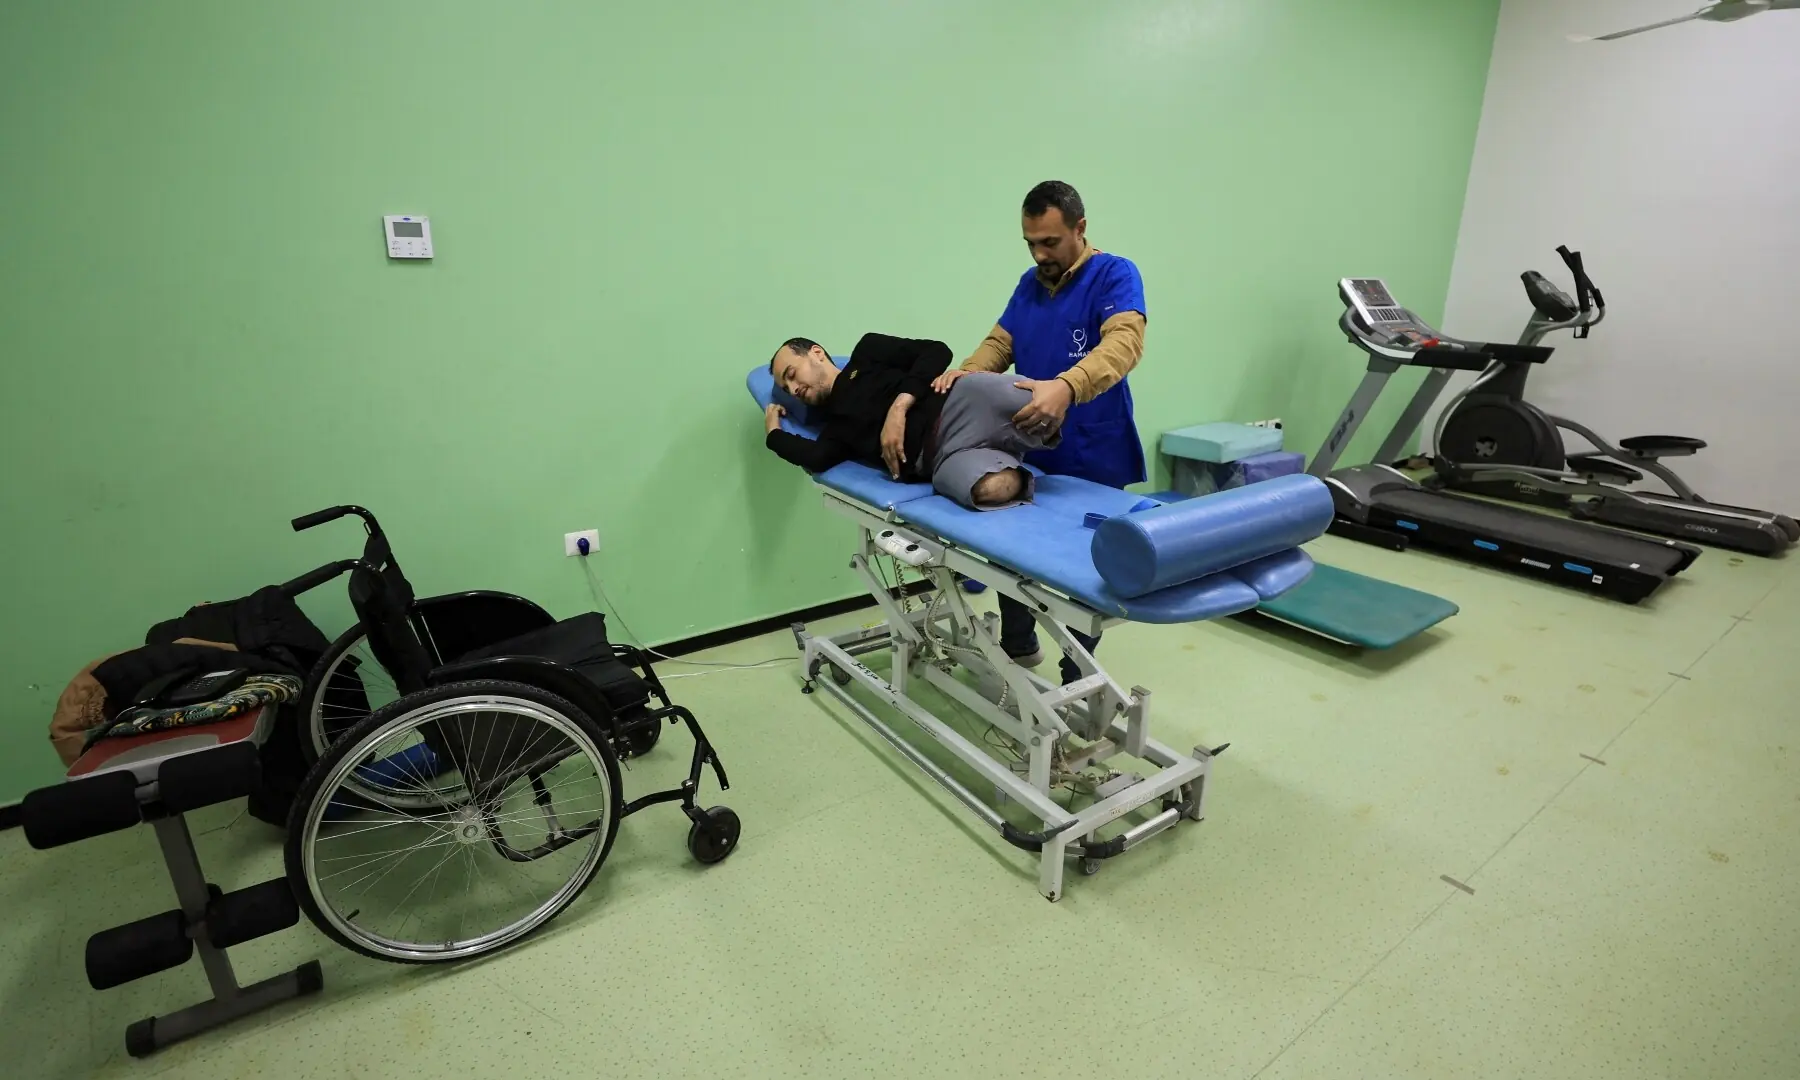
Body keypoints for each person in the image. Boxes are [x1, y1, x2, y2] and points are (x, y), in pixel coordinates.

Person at [932, 180, 1148, 681]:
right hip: (1027, 447)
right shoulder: (1030, 284)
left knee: (1085, 569)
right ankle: (1019, 645)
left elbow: (1124, 344)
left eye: (1049, 242)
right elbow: (1000, 342)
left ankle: (1079, 676)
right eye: (1030, 242)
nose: (1039, 252)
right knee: (1011, 553)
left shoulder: (1114, 275)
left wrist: (1067, 387)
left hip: (1093, 447)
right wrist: (969, 373)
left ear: (1080, 228)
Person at [763, 332, 1061, 510]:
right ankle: (1006, 455)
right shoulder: (836, 428)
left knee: (1040, 401)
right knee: (985, 491)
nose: (793, 389)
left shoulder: (867, 353)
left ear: (816, 354)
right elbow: (817, 458)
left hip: (959, 403)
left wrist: (900, 405)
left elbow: (936, 351)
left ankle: (1018, 438)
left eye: (791, 375)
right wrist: (773, 431)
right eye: (786, 389)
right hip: (942, 459)